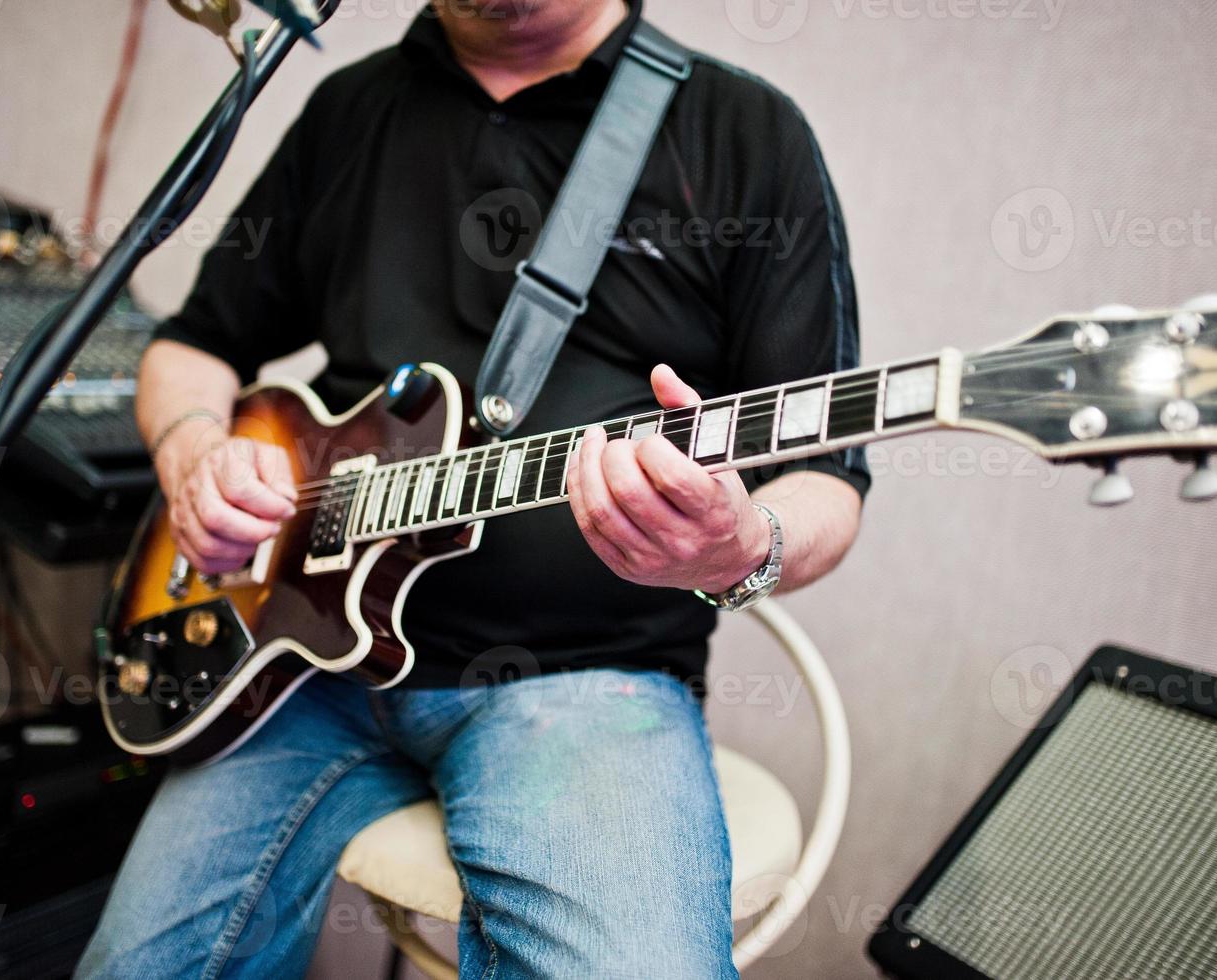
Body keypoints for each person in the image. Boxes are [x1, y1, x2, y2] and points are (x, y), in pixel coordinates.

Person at [79, 1, 867, 976]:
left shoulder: (744, 133)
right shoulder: (351, 106)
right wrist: (198, 451)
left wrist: (747, 546)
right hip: (292, 667)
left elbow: (828, 483)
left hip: (583, 678)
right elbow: (192, 346)